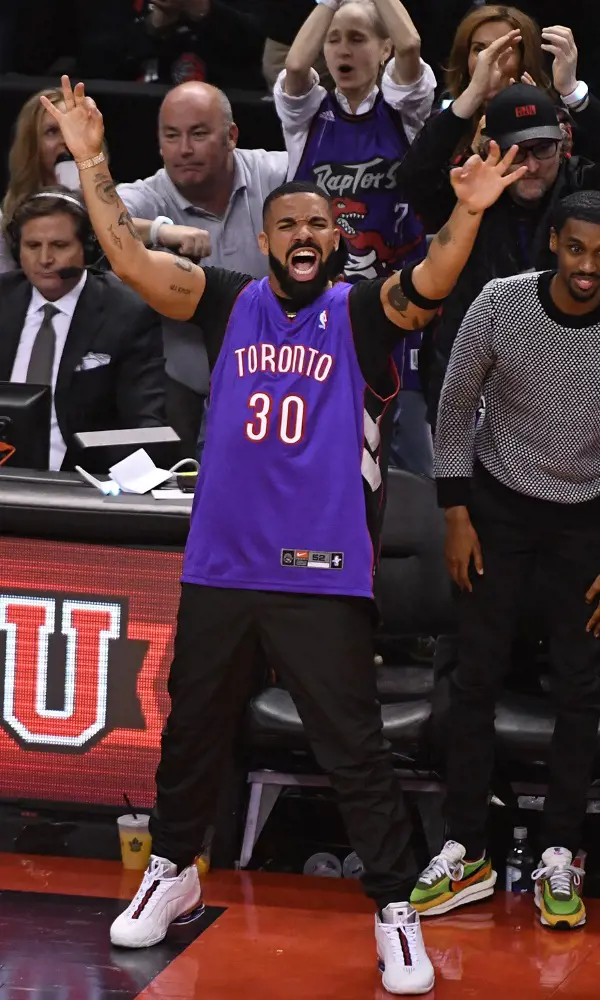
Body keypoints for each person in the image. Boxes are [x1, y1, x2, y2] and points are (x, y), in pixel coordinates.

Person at [42, 74, 527, 995]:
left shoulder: (363, 318)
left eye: (318, 227)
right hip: (223, 563)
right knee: (192, 733)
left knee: (355, 751)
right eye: (288, 226)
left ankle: (393, 908)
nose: (304, 237)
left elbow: (429, 282)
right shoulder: (227, 304)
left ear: (335, 240)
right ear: (265, 239)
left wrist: (464, 217)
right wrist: (95, 161)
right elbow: (130, 260)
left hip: (321, 570)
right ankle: (176, 869)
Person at [411, 189, 600, 932]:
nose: (589, 267)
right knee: (475, 677)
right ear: (555, 243)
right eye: (578, 247)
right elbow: (454, 407)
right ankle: (466, 849)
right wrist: (454, 513)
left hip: (587, 516)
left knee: (582, 691)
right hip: (495, 506)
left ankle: (561, 854)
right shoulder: (501, 301)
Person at [274, 0, 436, 474]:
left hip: (400, 301)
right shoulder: (305, 117)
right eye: (334, 38)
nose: (343, 50)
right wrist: (327, 4)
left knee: (406, 450)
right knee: (322, 444)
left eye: (358, 38)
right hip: (322, 306)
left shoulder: (405, 110)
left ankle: (416, 543)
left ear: (383, 49)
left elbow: (411, 42)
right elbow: (295, 64)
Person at [116, 81, 288, 459]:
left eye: (198, 134)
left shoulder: (277, 175)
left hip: (277, 380)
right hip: (184, 382)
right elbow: (96, 221)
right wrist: (161, 230)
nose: (184, 150)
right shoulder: (151, 194)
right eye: (172, 136)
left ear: (231, 136)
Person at [0, 188, 165, 471]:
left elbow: (146, 425)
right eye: (33, 246)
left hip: (80, 484)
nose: (45, 259)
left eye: (59, 245)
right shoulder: (3, 299)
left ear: (87, 249)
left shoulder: (126, 313)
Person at [0, 88, 80, 275]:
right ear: (32, 145)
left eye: (73, 129)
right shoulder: (6, 219)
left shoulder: (115, 202)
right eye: (52, 131)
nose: (67, 140)